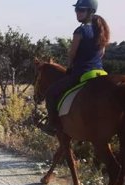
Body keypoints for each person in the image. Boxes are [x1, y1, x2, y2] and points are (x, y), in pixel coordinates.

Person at [42, 0, 110, 135]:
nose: (77, 13)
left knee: (51, 92)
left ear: (90, 12)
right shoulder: (100, 30)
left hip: (81, 73)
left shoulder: (80, 30)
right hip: (100, 72)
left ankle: (52, 125)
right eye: (76, 10)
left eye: (81, 10)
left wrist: (69, 67)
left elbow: (72, 53)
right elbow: (102, 53)